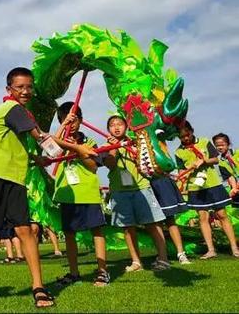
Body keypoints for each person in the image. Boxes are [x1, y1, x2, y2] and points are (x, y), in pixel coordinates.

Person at [0, 67, 97, 309]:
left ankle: (38, 286)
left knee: (26, 230)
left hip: (15, 179)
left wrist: (35, 159)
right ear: (9, 90)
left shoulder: (22, 113)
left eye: (29, 86)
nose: (26, 91)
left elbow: (20, 146)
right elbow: (41, 137)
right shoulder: (12, 109)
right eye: (20, 87)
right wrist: (77, 149)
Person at [51, 103, 109, 286]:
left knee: (96, 231)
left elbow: (93, 167)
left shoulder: (90, 142)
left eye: (74, 120)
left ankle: (102, 272)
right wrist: (63, 129)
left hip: (88, 193)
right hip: (67, 196)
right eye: (66, 120)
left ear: (81, 121)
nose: (71, 124)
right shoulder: (59, 140)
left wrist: (78, 149)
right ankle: (74, 272)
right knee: (69, 234)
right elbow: (50, 147)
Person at [103, 115, 170, 272]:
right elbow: (110, 165)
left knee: (153, 224)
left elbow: (146, 161)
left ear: (126, 126)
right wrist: (113, 148)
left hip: (141, 187)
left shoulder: (138, 141)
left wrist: (130, 148)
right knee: (128, 228)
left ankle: (163, 259)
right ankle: (136, 262)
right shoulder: (106, 146)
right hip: (119, 191)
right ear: (108, 129)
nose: (116, 127)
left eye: (120, 124)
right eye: (112, 125)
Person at [176, 122, 239, 258]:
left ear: (192, 131)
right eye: (182, 137)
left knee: (222, 215)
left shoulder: (204, 142)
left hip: (213, 183)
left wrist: (203, 161)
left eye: (187, 135)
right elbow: (181, 170)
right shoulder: (178, 152)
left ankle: (234, 248)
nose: (186, 138)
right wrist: (183, 175)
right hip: (195, 187)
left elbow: (215, 159)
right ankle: (211, 250)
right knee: (203, 217)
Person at [213, 133, 239, 208]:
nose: (220, 147)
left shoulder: (237, 153)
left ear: (228, 144)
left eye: (222, 145)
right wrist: (234, 188)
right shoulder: (220, 162)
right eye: (217, 146)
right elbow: (230, 176)